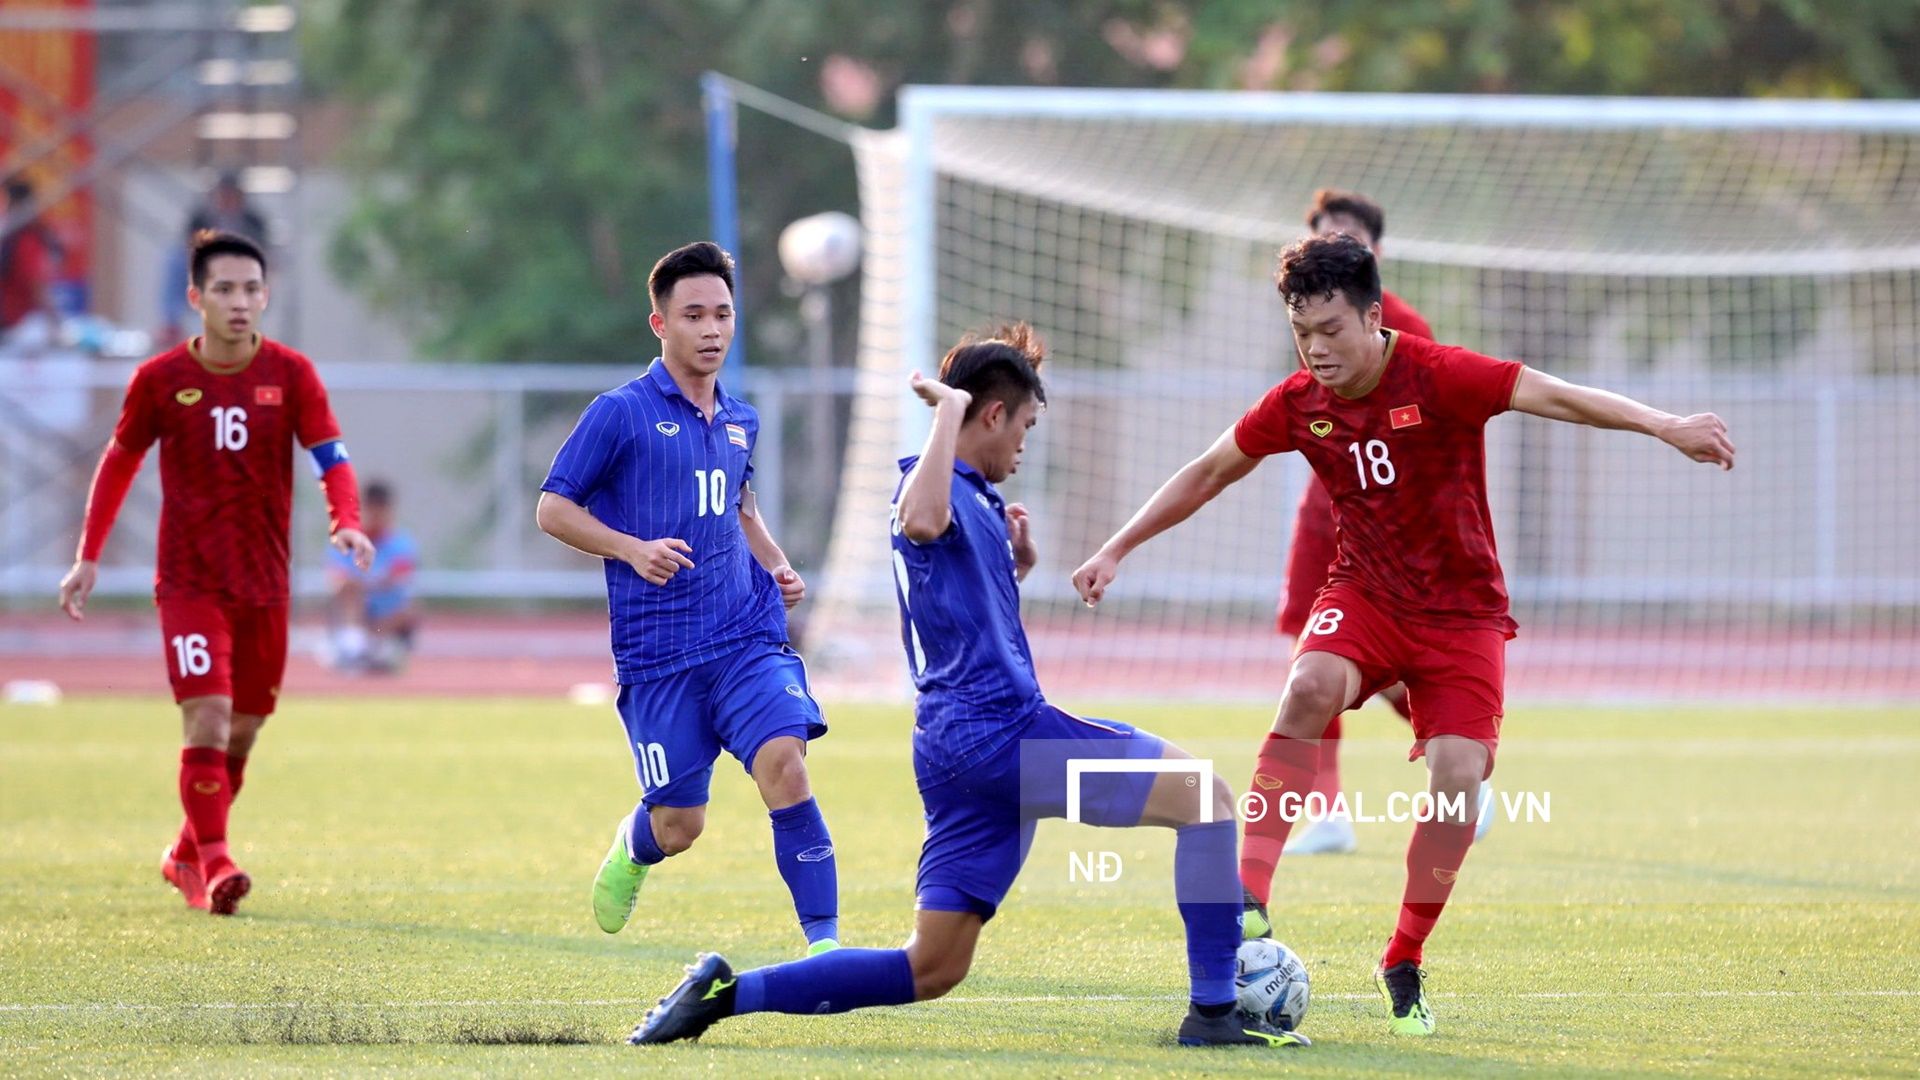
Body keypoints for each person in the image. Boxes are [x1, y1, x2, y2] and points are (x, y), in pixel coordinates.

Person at [1072, 234, 1733, 1035]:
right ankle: (1249, 897)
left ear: (1374, 318)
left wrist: (1666, 426)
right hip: (1368, 594)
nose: (1317, 350)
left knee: (1459, 777)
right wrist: (1117, 547)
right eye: (1302, 332)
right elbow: (1209, 470)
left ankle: (1404, 954)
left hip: (1462, 614)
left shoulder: (1439, 373)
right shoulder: (1296, 404)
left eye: (1332, 331)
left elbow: (1554, 395)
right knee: (1310, 685)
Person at [627, 326, 1308, 1050]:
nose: (1024, 444)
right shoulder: (936, 483)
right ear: (991, 415)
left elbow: (949, 604)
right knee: (1206, 800)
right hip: (1009, 740)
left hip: (957, 754)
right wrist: (946, 410)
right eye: (1024, 426)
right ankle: (1213, 1015)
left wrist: (1014, 565)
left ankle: (728, 993)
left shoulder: (974, 498)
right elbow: (920, 520)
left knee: (933, 966)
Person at [58, 229, 374, 916]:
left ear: (267, 296)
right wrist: (89, 555)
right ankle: (217, 861)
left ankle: (183, 855)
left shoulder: (291, 375)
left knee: (244, 729)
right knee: (207, 716)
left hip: (264, 583)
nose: (240, 302)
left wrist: (344, 518)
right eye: (225, 290)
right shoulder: (161, 380)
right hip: (190, 584)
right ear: (196, 298)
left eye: (252, 289)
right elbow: (118, 465)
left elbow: (332, 457)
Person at [536, 241, 836, 954]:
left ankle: (825, 949)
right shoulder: (620, 413)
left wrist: (778, 563)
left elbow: (740, 504)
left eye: (723, 314)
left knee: (785, 764)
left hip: (745, 635)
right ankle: (634, 847)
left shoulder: (742, 419)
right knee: (680, 827)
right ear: (659, 324)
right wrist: (631, 548)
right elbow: (552, 509)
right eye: (693, 314)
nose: (711, 329)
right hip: (660, 654)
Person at [1281, 189, 1492, 857]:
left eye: (1348, 236)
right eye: (1324, 234)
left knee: (1388, 669)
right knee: (1309, 665)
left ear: (1376, 253)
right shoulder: (1308, 317)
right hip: (1327, 513)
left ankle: (1454, 758)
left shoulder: (1403, 327)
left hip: (1388, 528)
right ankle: (1329, 812)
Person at [326, 480, 419, 672]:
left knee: (410, 609)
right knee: (349, 593)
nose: (376, 517)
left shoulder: (402, 544)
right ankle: (355, 646)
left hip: (387, 619)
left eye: (381, 511)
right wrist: (369, 582)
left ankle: (371, 647)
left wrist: (364, 581)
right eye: (372, 510)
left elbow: (401, 579)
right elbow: (337, 581)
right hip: (357, 614)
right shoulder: (346, 541)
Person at [1, 174, 59, 340]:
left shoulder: (22, 238)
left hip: (17, 322)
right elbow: (37, 285)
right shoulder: (22, 239)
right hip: (16, 324)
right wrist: (55, 319)